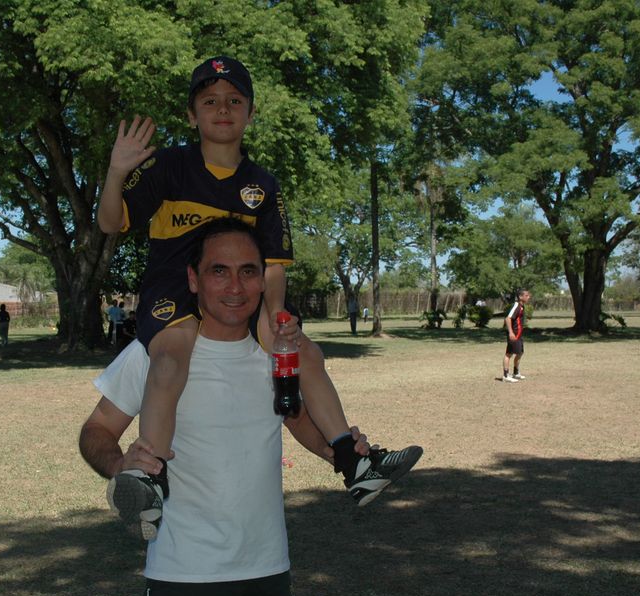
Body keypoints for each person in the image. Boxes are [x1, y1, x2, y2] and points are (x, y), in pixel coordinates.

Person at [79, 221, 415, 596]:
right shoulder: (156, 352)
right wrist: (120, 464)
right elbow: (97, 429)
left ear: (264, 281)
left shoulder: (277, 352)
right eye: (219, 271)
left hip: (264, 557)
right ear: (193, 279)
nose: (235, 287)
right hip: (184, 563)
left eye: (248, 271)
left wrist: (339, 452)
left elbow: (295, 418)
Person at [97, 56, 420, 531]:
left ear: (250, 113)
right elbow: (110, 222)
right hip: (175, 291)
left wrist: (276, 317)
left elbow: (273, 265)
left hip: (241, 294)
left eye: (234, 101)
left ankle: (357, 465)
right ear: (192, 115)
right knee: (168, 360)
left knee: (305, 352)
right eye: (210, 101)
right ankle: (150, 478)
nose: (222, 109)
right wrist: (116, 172)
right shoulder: (168, 166)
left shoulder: (262, 185)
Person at [502, 289, 531, 383]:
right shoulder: (516, 306)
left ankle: (515, 373)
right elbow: (508, 319)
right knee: (509, 354)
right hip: (513, 334)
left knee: (520, 352)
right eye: (526, 295)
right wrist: (511, 332)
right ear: (520, 297)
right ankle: (506, 375)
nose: (528, 297)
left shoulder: (522, 306)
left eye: (528, 295)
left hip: (519, 335)